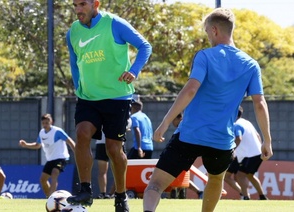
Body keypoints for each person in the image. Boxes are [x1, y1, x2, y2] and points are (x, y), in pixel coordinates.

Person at [143, 8, 272, 212]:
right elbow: (259, 103)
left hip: (189, 136)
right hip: (221, 142)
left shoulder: (204, 56)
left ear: (213, 30)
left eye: (206, 31)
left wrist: (166, 122)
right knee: (215, 179)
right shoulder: (251, 65)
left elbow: (191, 89)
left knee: (156, 185)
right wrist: (267, 139)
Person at [66, 0, 152, 210]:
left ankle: (121, 196)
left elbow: (145, 46)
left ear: (96, 4)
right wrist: (78, 86)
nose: (78, 10)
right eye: (75, 5)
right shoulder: (73, 32)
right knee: (82, 134)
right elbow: (73, 61)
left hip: (118, 98)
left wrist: (134, 71)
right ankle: (86, 190)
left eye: (82, 4)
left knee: (114, 149)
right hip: (88, 98)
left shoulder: (114, 24)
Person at [19, 113, 75, 198]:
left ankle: (52, 197)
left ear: (51, 122)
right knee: (43, 179)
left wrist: (77, 154)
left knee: (54, 173)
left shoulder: (57, 131)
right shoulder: (41, 133)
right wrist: (26, 144)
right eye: (43, 123)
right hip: (50, 159)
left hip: (61, 157)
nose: (45, 125)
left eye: (47, 122)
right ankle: (49, 198)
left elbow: (70, 141)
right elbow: (37, 145)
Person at [234, 106, 268, 200]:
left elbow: (238, 138)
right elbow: (257, 135)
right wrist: (260, 147)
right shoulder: (246, 122)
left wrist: (233, 150)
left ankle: (245, 197)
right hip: (257, 152)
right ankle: (262, 196)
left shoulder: (236, 124)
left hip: (250, 154)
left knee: (240, 175)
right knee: (249, 175)